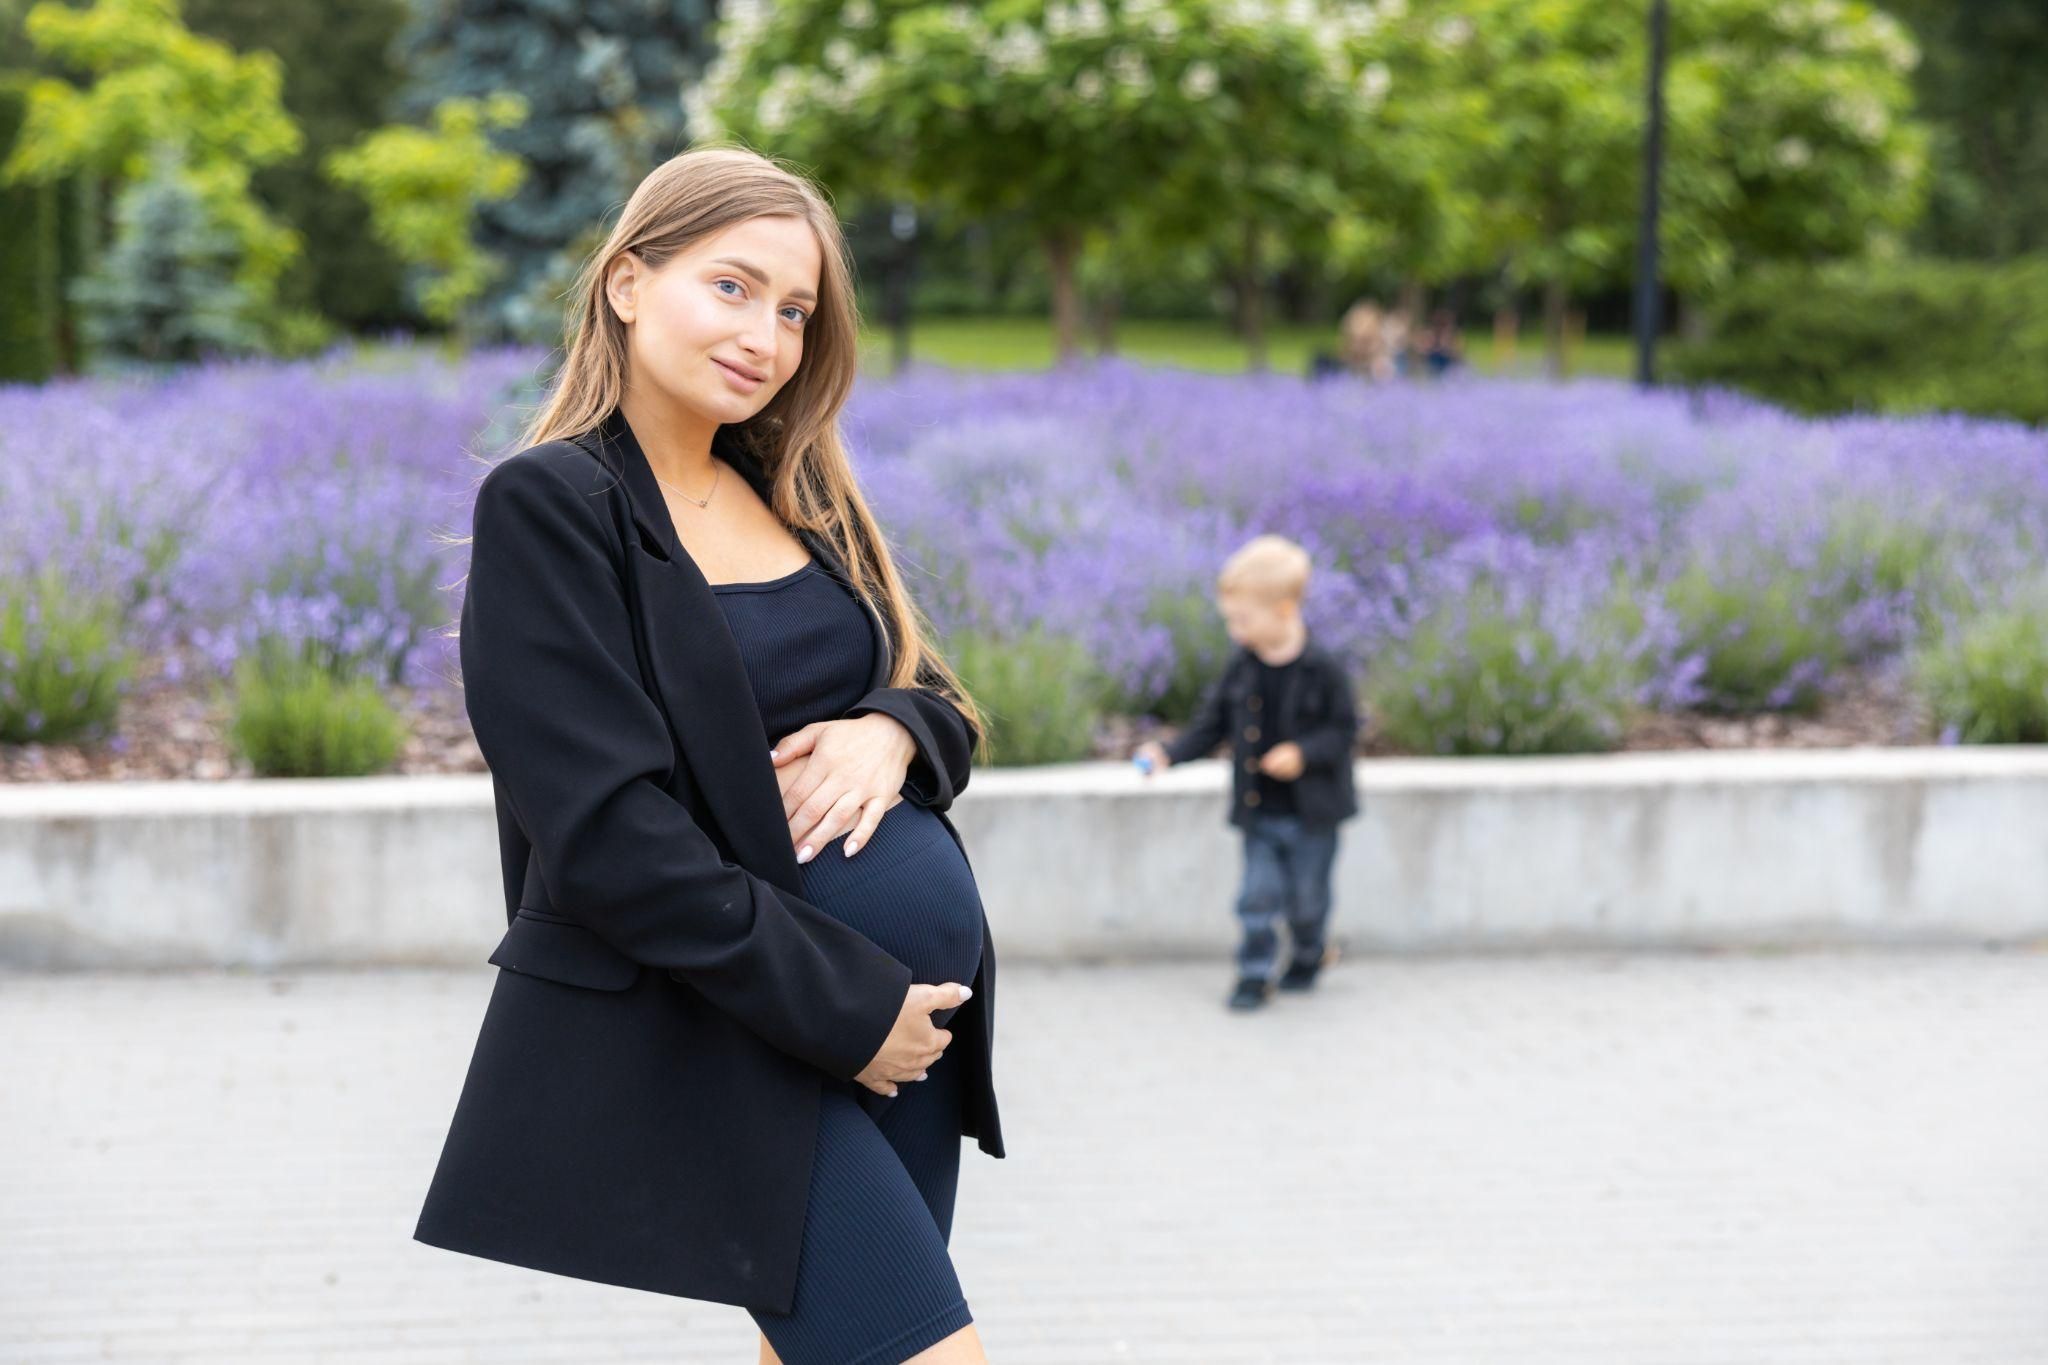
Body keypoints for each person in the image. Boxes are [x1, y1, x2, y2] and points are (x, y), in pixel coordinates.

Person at [412, 146, 1002, 1365]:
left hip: (904, 1036)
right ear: (628, 282)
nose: (767, 337)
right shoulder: (551, 507)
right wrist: (852, 1013)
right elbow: (610, 838)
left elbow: (934, 689)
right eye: (731, 287)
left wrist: (891, 727)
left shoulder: (795, 490)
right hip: (739, 1029)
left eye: (794, 311)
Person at [1133, 536, 1362, 1011]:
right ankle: (1255, 974)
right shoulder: (1242, 668)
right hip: (1260, 812)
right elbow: (1211, 725)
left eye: (1243, 620)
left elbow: (1343, 730)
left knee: (1306, 900)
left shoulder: (1323, 669)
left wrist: (1303, 752)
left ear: (1282, 609)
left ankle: (1308, 953)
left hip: (1312, 816)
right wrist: (1168, 754)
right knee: (1256, 898)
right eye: (1231, 620)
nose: (1235, 631)